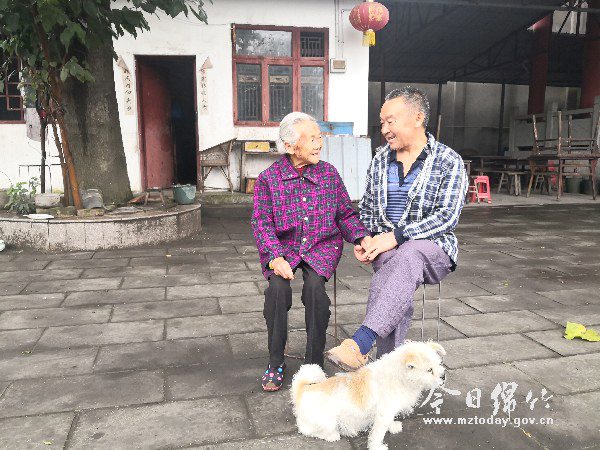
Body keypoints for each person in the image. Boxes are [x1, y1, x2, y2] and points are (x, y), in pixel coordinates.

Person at [326, 87, 469, 371]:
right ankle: (385, 371)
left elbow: (447, 217)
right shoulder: (381, 158)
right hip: (388, 249)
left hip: (434, 249)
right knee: (396, 273)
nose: (384, 130)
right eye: (382, 123)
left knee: (409, 254)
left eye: (390, 121)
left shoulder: (448, 161)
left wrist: (396, 236)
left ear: (417, 118)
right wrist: (365, 238)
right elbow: (368, 208)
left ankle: (362, 342)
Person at [251, 111, 371, 391]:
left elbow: (345, 214)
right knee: (277, 290)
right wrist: (275, 256)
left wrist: (360, 237)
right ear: (290, 146)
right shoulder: (269, 179)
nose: (319, 144)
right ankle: (275, 362)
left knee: (315, 290)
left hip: (321, 245)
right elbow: (262, 223)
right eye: (312, 139)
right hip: (284, 248)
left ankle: (313, 362)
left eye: (320, 137)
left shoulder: (329, 174)